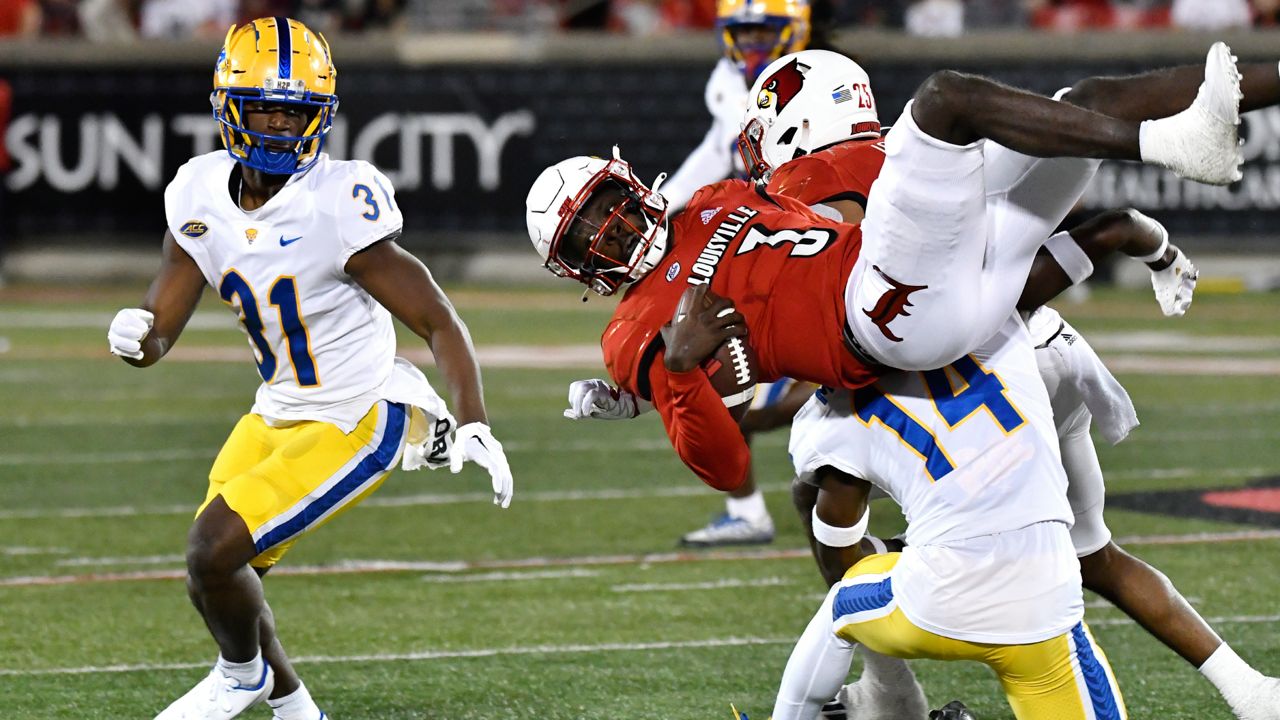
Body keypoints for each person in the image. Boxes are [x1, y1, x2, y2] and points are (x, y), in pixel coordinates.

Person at [740, 48, 1280, 720]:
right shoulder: (911, 166)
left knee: (824, 497)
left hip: (937, 351)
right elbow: (1087, 232)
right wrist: (1149, 247)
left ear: (790, 124)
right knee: (1088, 98)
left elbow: (835, 354)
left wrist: (697, 382)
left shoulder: (810, 195)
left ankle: (889, 693)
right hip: (1026, 342)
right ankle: (1249, 690)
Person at [527, 42, 1243, 494]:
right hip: (1000, 321)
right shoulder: (738, 205)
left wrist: (658, 386)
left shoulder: (748, 194)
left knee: (827, 492)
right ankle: (1197, 122)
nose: (609, 229)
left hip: (914, 328)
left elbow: (759, 381)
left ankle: (873, 675)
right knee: (1076, 105)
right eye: (586, 231)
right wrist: (659, 382)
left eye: (608, 207)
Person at [106, 18, 514, 720]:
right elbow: (162, 324)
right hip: (277, 408)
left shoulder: (338, 200)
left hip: (359, 415)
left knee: (213, 551)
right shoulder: (198, 192)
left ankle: (240, 678)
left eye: (297, 111)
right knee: (223, 574)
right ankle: (295, 709)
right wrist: (137, 336)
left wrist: (473, 419)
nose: (280, 125)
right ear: (228, 104)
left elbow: (437, 317)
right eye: (265, 105)